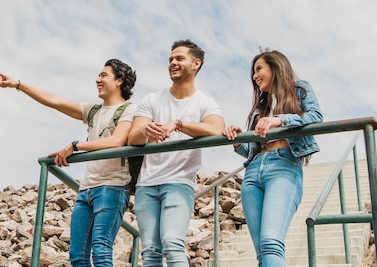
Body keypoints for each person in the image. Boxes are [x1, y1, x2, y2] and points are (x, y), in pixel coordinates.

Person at [0, 59, 138, 267]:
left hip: (112, 187)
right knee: (77, 256)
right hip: (86, 189)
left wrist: (75, 146)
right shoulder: (93, 111)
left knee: (101, 250)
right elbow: (54, 101)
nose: (97, 79)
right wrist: (18, 84)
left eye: (104, 75)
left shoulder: (129, 109)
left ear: (119, 81)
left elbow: (117, 141)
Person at [127, 39, 225, 267]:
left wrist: (178, 125)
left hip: (179, 182)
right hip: (147, 184)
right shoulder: (152, 99)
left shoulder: (205, 103)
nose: (173, 63)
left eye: (179, 58)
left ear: (196, 64)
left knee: (172, 243)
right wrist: (146, 130)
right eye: (170, 59)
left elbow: (217, 128)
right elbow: (133, 137)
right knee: (150, 250)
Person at [223, 49, 323, 267]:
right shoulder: (261, 107)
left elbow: (316, 117)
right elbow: (251, 150)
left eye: (259, 69)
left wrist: (279, 120)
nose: (254, 76)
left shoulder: (300, 89)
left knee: (271, 242)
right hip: (253, 173)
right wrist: (238, 140)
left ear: (275, 67)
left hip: (284, 166)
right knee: (262, 252)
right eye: (253, 72)